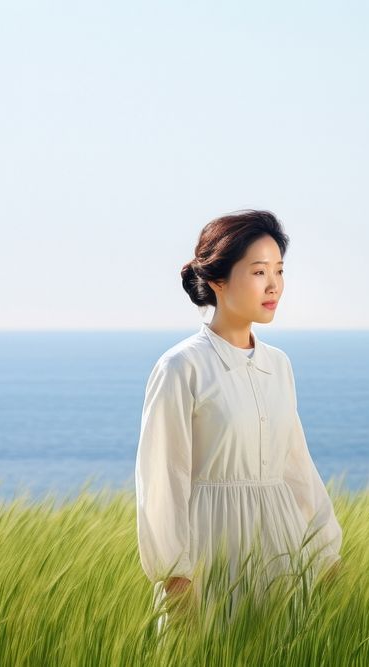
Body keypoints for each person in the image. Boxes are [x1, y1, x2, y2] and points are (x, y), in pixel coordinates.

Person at [134, 209, 343, 631]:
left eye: (279, 271)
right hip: (211, 556)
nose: (274, 286)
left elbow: (296, 466)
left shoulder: (279, 365)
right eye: (259, 271)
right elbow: (163, 477)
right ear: (218, 280)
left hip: (284, 558)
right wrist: (175, 575)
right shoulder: (181, 367)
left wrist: (326, 550)